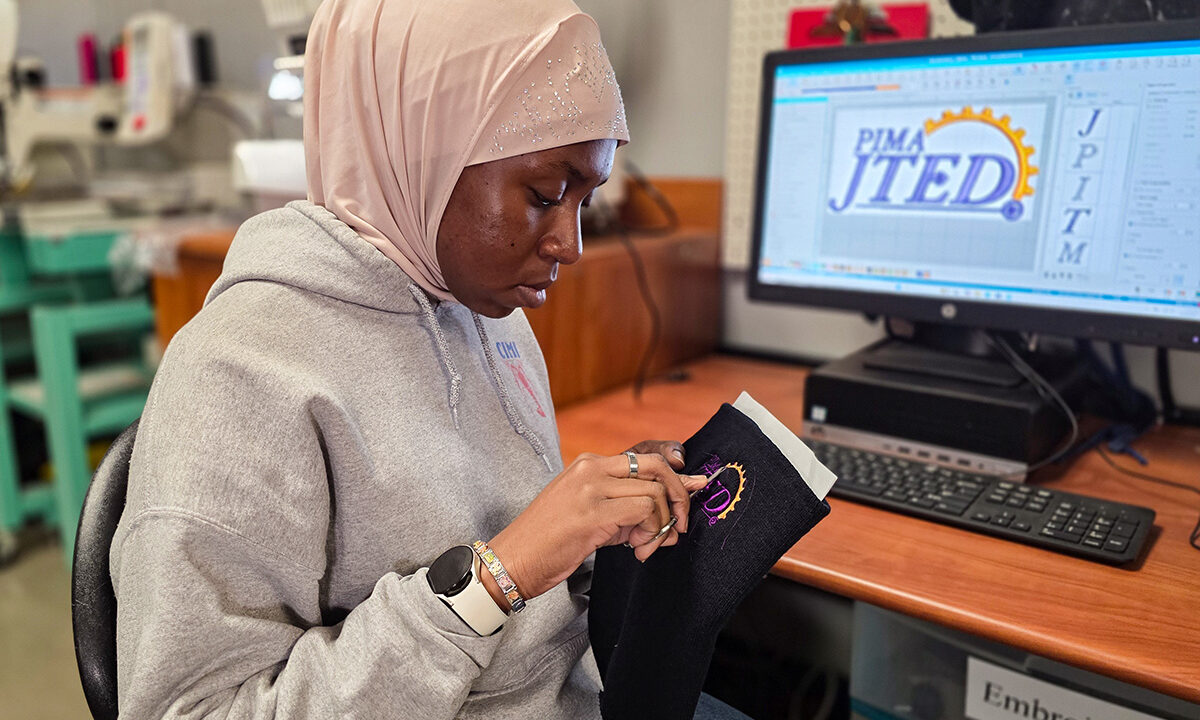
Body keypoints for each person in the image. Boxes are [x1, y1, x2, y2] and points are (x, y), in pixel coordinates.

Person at [110, 1, 749, 718]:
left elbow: (521, 567)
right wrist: (493, 579)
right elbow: (192, 709)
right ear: (421, 152)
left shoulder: (483, 310)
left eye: (585, 199)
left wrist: (597, 521)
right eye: (544, 194)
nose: (568, 243)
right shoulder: (239, 372)